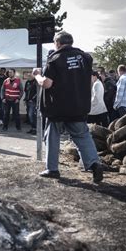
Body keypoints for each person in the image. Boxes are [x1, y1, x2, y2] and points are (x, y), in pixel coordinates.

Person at [33, 31, 104, 182]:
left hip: (58, 107)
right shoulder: (85, 57)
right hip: (79, 106)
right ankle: (94, 164)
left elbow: (46, 83)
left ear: (57, 43)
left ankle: (52, 169)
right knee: (83, 136)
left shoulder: (55, 59)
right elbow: (89, 79)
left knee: (52, 136)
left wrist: (37, 75)